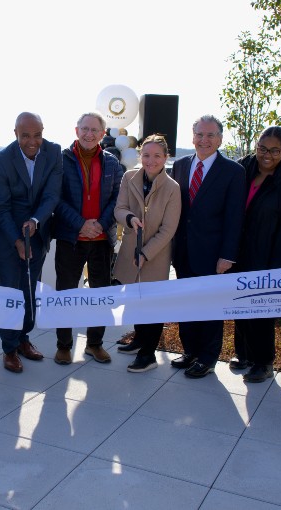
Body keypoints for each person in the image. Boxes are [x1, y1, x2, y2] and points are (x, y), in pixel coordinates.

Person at [171, 115, 245, 379]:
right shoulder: (179, 166)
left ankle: (208, 357)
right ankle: (190, 351)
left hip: (214, 254)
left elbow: (235, 217)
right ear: (193, 137)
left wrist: (228, 255)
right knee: (186, 303)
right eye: (200, 135)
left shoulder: (234, 172)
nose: (204, 140)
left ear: (220, 139)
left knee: (210, 307)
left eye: (211, 135)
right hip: (183, 252)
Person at [0, 112, 63, 373]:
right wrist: (17, 241)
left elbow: (52, 195)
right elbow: (0, 207)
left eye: (37, 135)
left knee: (29, 288)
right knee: (11, 291)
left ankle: (23, 338)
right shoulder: (2, 161)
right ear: (15, 134)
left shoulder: (54, 152)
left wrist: (35, 220)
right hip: (8, 233)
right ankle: (8, 348)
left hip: (37, 229)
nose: (33, 141)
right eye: (25, 136)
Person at [52, 112, 123, 365]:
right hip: (71, 238)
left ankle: (95, 344)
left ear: (103, 134)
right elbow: (56, 199)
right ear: (76, 130)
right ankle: (64, 345)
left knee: (100, 295)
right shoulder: (61, 160)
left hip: (102, 240)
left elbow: (117, 198)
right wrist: (81, 224)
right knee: (66, 293)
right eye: (85, 129)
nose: (89, 134)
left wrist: (100, 225)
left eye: (95, 130)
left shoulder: (113, 163)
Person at [232, 127, 281, 382]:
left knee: (261, 310)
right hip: (239, 251)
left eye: (274, 151)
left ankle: (264, 361)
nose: (267, 155)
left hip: (268, 254)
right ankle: (244, 354)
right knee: (240, 304)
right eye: (262, 149)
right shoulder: (243, 168)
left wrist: (277, 266)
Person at [112, 135, 180, 372]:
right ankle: (139, 340)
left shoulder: (173, 188)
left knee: (151, 306)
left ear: (166, 158)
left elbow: (168, 229)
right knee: (134, 300)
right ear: (140, 155)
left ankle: (148, 354)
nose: (151, 160)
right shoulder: (128, 177)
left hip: (155, 255)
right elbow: (119, 209)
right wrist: (129, 218)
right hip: (131, 251)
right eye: (146, 155)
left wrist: (146, 253)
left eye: (157, 156)